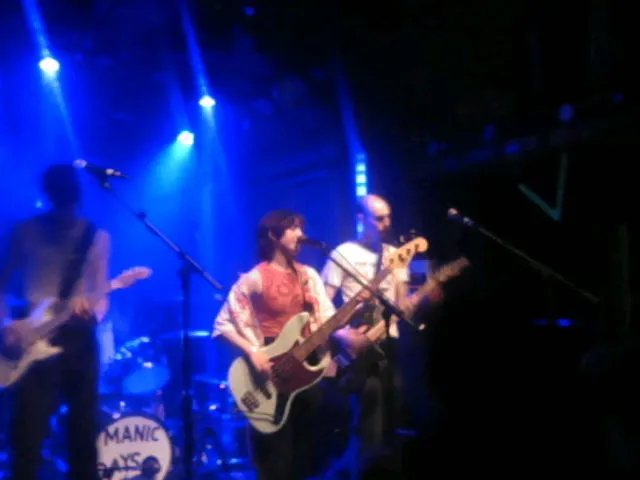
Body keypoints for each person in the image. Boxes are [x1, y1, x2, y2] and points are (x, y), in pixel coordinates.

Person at [212, 210, 368, 480]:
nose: (301, 234)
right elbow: (222, 324)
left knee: (307, 452)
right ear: (273, 235)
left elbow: (326, 320)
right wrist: (253, 352)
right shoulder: (255, 277)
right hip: (269, 369)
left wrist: (352, 312)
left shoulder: (309, 276)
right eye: (293, 228)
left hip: (305, 369)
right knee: (276, 458)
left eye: (301, 227)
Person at [0, 164, 111, 480]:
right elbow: (1, 285)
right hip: (32, 338)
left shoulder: (96, 237)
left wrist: (93, 314)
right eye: (58, 195)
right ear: (49, 194)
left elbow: (102, 294)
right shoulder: (25, 232)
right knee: (27, 436)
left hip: (78, 338)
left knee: (83, 432)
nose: (64, 204)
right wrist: (5, 327)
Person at [321, 193, 444, 472]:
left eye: (388, 217)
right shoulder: (343, 253)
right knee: (369, 418)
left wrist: (424, 298)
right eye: (379, 218)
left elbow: (402, 306)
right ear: (361, 219)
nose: (386, 223)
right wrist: (342, 335)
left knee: (393, 415)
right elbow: (322, 304)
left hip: (390, 344)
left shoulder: (394, 255)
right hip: (357, 347)